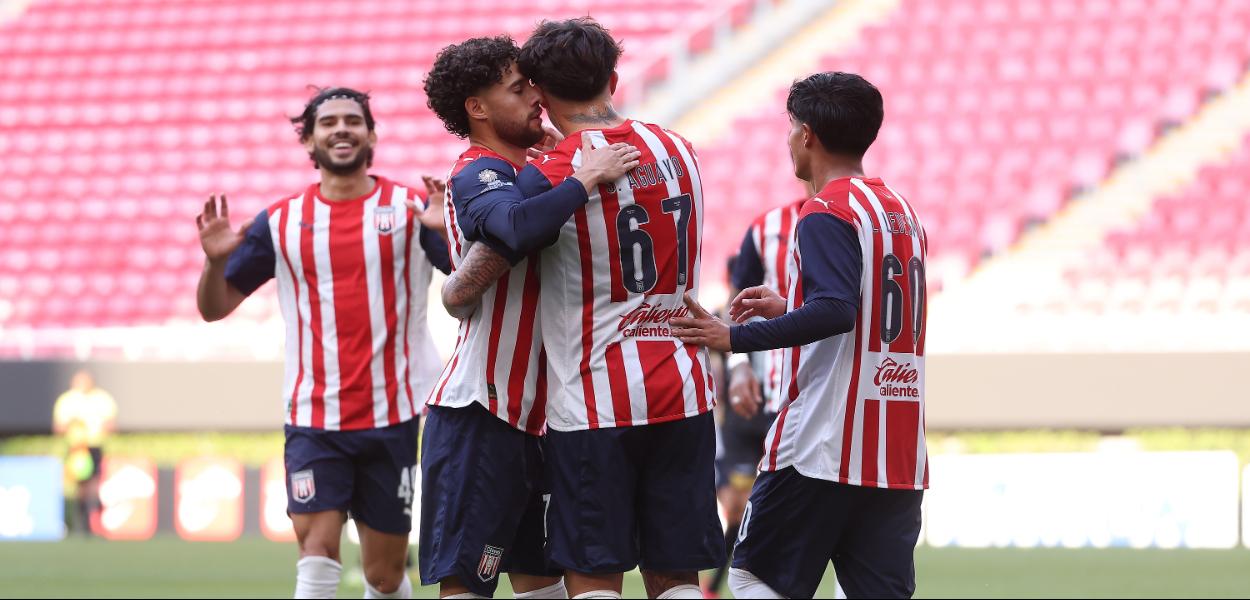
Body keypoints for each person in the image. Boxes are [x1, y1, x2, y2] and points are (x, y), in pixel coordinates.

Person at [440, 18, 724, 600]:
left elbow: (497, 246)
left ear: (541, 94)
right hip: (683, 387)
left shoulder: (551, 170)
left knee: (593, 572)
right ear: (614, 79)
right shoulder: (680, 148)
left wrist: (453, 290)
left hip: (596, 397)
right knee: (677, 575)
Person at [670, 71, 928, 599]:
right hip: (897, 453)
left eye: (791, 127)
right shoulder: (902, 212)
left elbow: (836, 311)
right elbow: (870, 311)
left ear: (807, 134)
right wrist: (792, 307)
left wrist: (732, 338)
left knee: (753, 576)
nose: (788, 139)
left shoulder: (825, 211)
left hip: (822, 443)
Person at [195, 86, 451, 599]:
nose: (341, 129)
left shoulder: (411, 207)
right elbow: (214, 307)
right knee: (317, 551)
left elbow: (466, 283)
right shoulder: (280, 222)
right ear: (309, 141)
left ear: (371, 135)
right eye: (328, 122)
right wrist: (216, 263)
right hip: (314, 417)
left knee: (384, 575)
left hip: (392, 415)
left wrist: (447, 233)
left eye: (352, 121)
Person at [418, 36, 640, 600]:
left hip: (546, 417)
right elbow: (515, 227)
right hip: (482, 410)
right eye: (518, 90)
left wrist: (561, 164)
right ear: (478, 108)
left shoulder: (538, 167)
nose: (536, 98)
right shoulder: (477, 171)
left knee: (542, 584)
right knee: (468, 586)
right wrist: (582, 177)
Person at [703, 196, 804, 597]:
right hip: (745, 414)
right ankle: (716, 583)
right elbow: (720, 351)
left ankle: (734, 580)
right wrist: (737, 367)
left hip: (787, 407)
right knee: (738, 506)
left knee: (777, 507)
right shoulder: (726, 316)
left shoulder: (784, 310)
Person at [52, 369, 117, 537]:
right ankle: (80, 522)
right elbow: (58, 427)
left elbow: (111, 425)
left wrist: (95, 427)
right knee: (80, 485)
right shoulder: (67, 400)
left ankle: (95, 521)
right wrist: (73, 424)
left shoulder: (101, 398)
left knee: (94, 484)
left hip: (94, 446)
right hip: (76, 448)